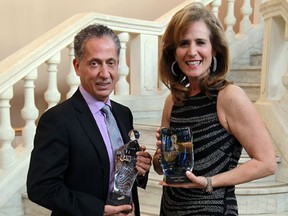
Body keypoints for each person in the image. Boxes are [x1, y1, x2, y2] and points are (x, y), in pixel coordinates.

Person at [152, 3, 276, 216]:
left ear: (214, 48)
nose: (192, 52)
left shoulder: (229, 96)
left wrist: (208, 182)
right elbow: (162, 168)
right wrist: (161, 156)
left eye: (200, 42)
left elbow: (266, 163)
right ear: (174, 52)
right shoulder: (173, 101)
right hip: (171, 209)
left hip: (214, 209)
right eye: (183, 43)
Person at [27, 24, 152, 216]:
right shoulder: (57, 120)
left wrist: (139, 169)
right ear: (77, 67)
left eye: (110, 63)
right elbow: (41, 187)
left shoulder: (123, 113)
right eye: (95, 63)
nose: (104, 73)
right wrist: (98, 210)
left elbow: (117, 172)